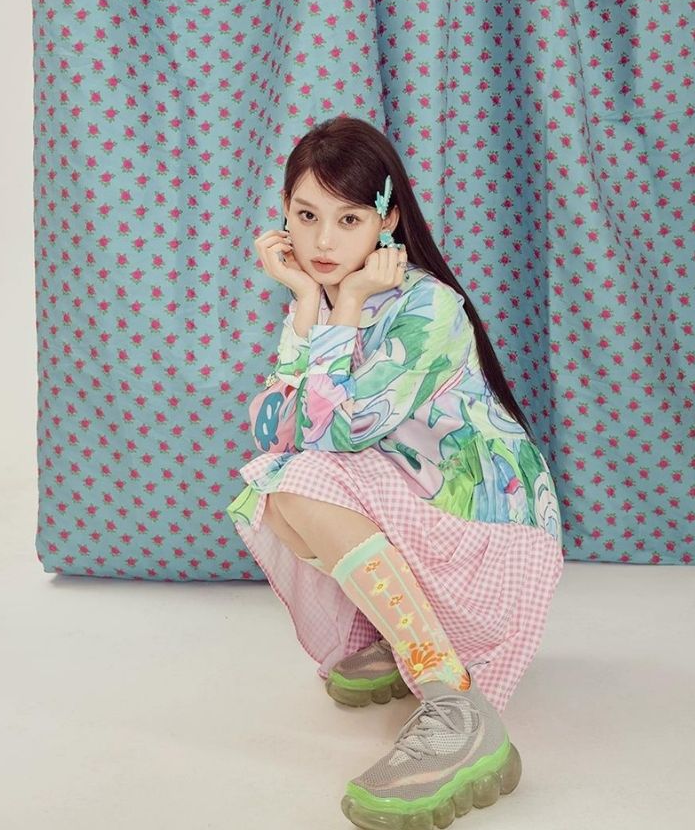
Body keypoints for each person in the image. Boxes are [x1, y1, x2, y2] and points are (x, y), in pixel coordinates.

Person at [227, 115, 564, 830]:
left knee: (300, 481)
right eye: (306, 216)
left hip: (491, 540)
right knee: (280, 488)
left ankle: (454, 705)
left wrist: (341, 309)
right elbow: (272, 425)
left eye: (348, 219)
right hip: (424, 513)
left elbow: (335, 431)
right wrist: (310, 303)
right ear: (283, 214)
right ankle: (405, 635)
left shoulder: (427, 308)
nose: (322, 242)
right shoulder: (324, 297)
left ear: (386, 220)